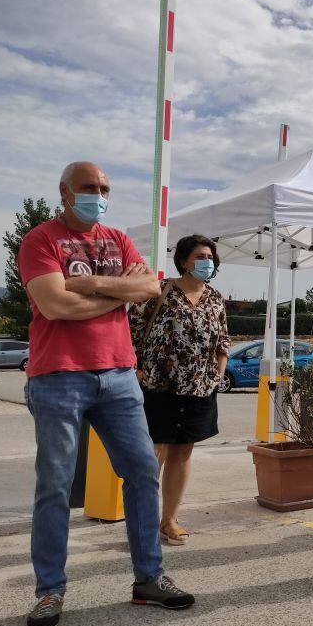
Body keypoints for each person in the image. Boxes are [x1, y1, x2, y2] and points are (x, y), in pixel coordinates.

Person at [18, 161, 194, 626]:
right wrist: (121, 293)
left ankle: (149, 579)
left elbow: (151, 287)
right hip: (58, 376)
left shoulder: (116, 239)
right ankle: (50, 592)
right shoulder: (41, 240)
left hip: (118, 375)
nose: (97, 194)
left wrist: (92, 283)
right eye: (88, 187)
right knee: (54, 486)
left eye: (103, 188)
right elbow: (55, 304)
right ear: (65, 191)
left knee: (141, 473)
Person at [129, 234, 230, 546]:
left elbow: (223, 341)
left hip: (200, 389)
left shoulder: (215, 298)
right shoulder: (159, 290)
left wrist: (217, 372)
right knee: (152, 455)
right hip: (159, 386)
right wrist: (138, 368)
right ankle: (142, 525)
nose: (207, 262)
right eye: (200, 256)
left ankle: (169, 520)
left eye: (211, 257)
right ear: (184, 260)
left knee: (183, 453)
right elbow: (129, 329)